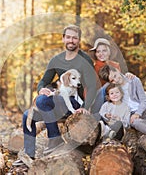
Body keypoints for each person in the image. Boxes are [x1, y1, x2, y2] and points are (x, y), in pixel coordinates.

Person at [13, 24, 98, 166]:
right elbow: (44, 81)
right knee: (28, 115)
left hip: (75, 104)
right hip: (57, 105)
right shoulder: (56, 60)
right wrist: (41, 89)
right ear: (63, 39)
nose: (71, 41)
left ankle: (55, 138)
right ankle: (29, 154)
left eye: (75, 38)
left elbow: (92, 86)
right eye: (68, 37)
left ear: (79, 40)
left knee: (42, 102)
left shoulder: (85, 60)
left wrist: (85, 106)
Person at [98, 65, 146, 153]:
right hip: (132, 116)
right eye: (112, 80)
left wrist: (138, 113)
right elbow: (108, 105)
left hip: (145, 110)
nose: (116, 80)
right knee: (136, 122)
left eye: (115, 76)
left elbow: (144, 101)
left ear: (117, 70)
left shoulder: (133, 80)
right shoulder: (114, 90)